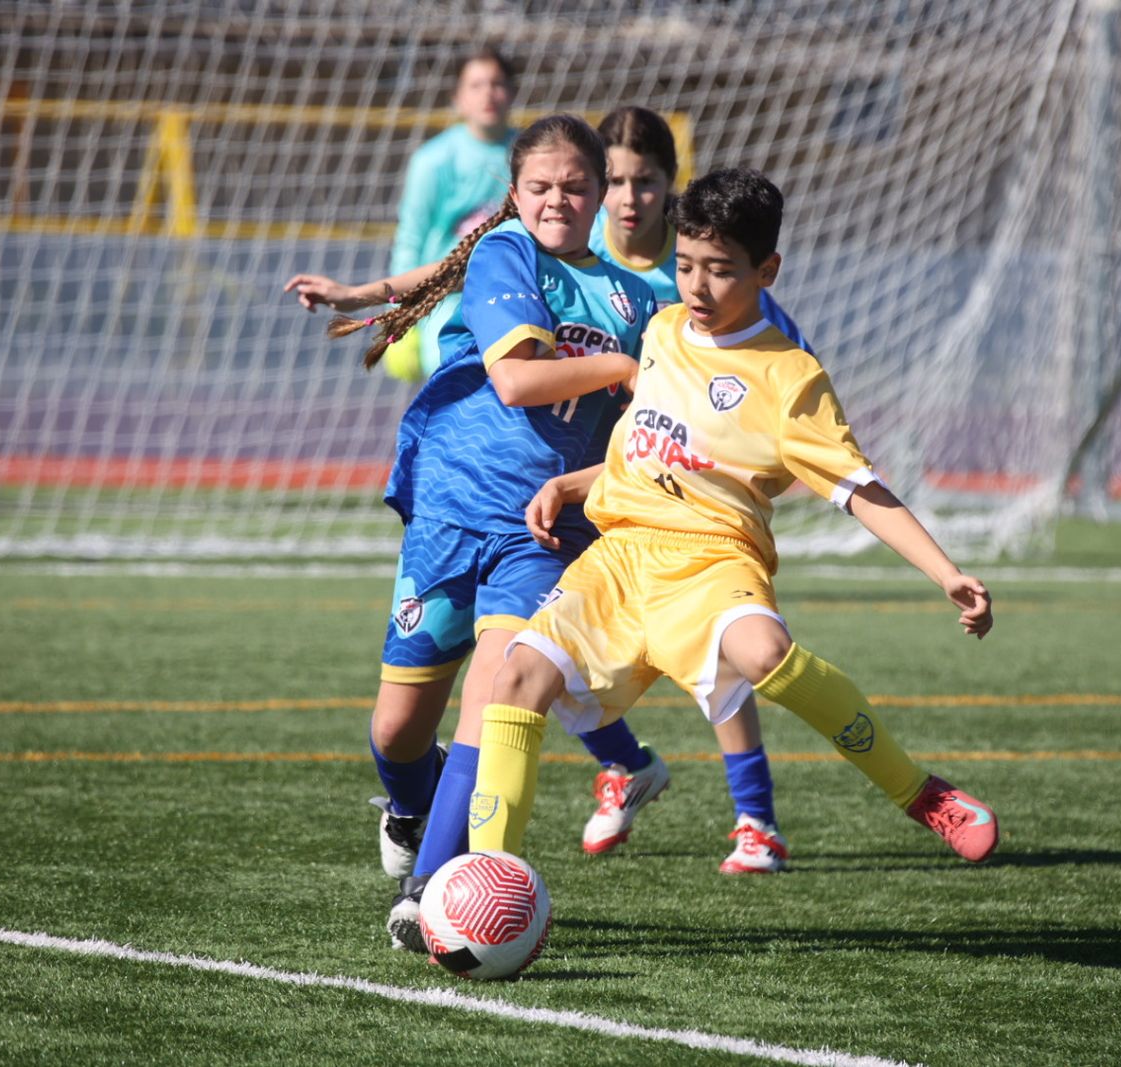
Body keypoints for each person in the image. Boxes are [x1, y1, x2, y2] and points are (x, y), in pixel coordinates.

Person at [467, 167, 1000, 877]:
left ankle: (919, 792)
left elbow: (859, 488)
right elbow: (656, 455)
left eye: (720, 270)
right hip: (622, 556)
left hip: (715, 558)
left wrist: (947, 573)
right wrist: (569, 483)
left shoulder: (791, 378)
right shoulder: (660, 331)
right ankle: (483, 877)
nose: (697, 286)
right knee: (516, 677)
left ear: (767, 269)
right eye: (686, 265)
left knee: (761, 651)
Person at [318, 113, 659, 952]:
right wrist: (623, 366)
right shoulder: (506, 252)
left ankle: (432, 888)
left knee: (496, 691)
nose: (558, 200)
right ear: (516, 192)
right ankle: (410, 799)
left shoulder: (639, 299)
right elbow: (513, 379)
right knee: (398, 729)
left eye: (577, 186)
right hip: (451, 512)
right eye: (541, 186)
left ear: (603, 193)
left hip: (543, 528)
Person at [566, 106, 816, 874]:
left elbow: (781, 390)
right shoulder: (571, 257)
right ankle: (626, 764)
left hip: (687, 499)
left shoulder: (716, 280)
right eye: (613, 179)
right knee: (544, 647)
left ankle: (755, 817)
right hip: (591, 475)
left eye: (645, 180)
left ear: (672, 187)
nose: (629, 196)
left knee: (722, 656)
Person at [286, 47, 517, 382]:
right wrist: (399, 314)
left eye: (496, 83)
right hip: (445, 303)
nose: (488, 94)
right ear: (457, 98)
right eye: (476, 85)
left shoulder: (529, 156)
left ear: (511, 92)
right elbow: (411, 239)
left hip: (512, 298)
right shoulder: (433, 161)